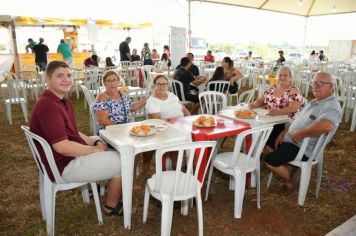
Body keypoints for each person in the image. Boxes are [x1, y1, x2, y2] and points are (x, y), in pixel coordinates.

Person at [30, 61, 124, 216]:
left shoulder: (61, 101)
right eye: (59, 76)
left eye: (68, 75)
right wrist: (94, 149)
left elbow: (73, 132)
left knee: (102, 141)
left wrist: (94, 141)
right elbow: (63, 147)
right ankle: (111, 206)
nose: (66, 79)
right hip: (64, 165)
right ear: (47, 79)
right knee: (123, 160)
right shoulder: (49, 106)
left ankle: (96, 183)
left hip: (64, 158)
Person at [264, 72, 342, 190]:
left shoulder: (331, 106)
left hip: (302, 148)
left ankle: (289, 180)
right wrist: (285, 132)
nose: (316, 86)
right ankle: (289, 167)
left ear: (331, 87)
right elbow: (299, 120)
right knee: (266, 143)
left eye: (320, 83)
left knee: (269, 160)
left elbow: (326, 126)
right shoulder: (315, 101)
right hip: (293, 141)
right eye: (314, 83)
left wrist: (300, 134)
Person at [249, 67, 305, 152]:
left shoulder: (294, 91)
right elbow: (262, 100)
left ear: (291, 77)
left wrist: (277, 112)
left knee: (265, 138)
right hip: (269, 119)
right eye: (280, 75)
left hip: (285, 122)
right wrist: (254, 104)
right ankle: (255, 150)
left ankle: (272, 152)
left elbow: (293, 108)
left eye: (285, 75)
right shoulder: (273, 88)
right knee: (252, 127)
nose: (282, 77)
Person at [143, 75, 191, 172]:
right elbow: (158, 122)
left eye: (164, 84)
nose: (161, 86)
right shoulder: (152, 101)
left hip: (181, 126)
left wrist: (190, 122)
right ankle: (176, 169)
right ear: (154, 86)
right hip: (166, 129)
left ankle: (189, 163)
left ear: (167, 85)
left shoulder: (172, 95)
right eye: (158, 84)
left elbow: (185, 110)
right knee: (175, 146)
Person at [92, 70, 148, 135]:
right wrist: (120, 129)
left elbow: (132, 107)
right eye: (109, 81)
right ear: (104, 83)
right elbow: (102, 120)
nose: (112, 83)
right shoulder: (102, 97)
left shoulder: (121, 94)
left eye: (114, 80)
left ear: (118, 82)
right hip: (109, 132)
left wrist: (147, 99)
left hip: (125, 130)